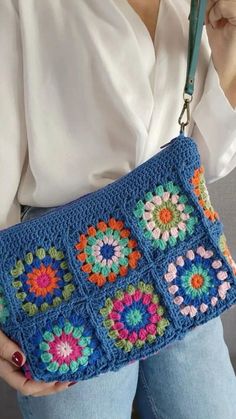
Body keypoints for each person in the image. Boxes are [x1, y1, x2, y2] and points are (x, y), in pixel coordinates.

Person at [0, 1, 236, 418]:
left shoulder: (199, 5)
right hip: (60, 263)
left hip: (174, 239)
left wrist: (229, 60)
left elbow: (207, 161)